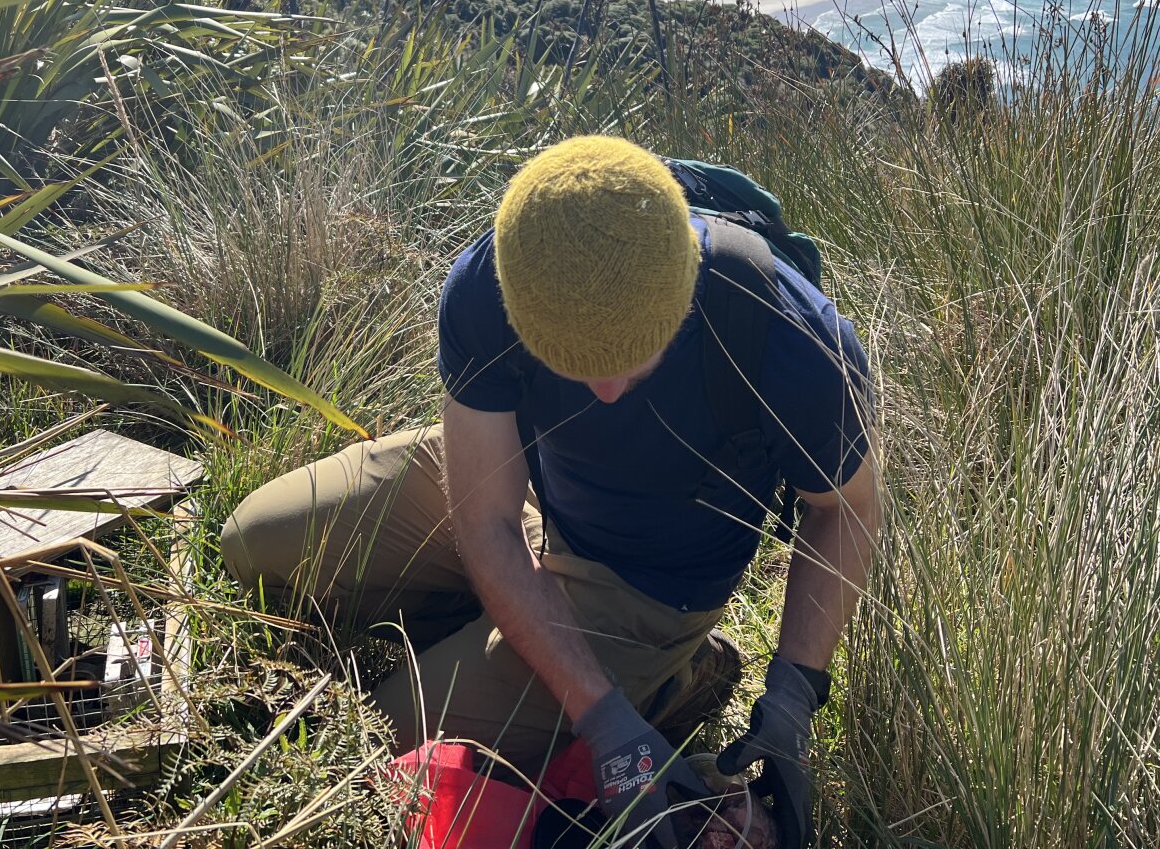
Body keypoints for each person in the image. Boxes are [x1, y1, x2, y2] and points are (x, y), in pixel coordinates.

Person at [222, 135, 880, 849]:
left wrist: (791, 697)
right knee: (255, 544)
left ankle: (672, 673)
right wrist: (599, 716)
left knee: (384, 738)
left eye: (632, 366)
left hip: (644, 586)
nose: (602, 392)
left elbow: (845, 511)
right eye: (567, 362)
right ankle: (521, 623)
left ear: (684, 292)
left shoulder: (785, 333)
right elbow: (485, 521)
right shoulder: (494, 281)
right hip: (522, 483)